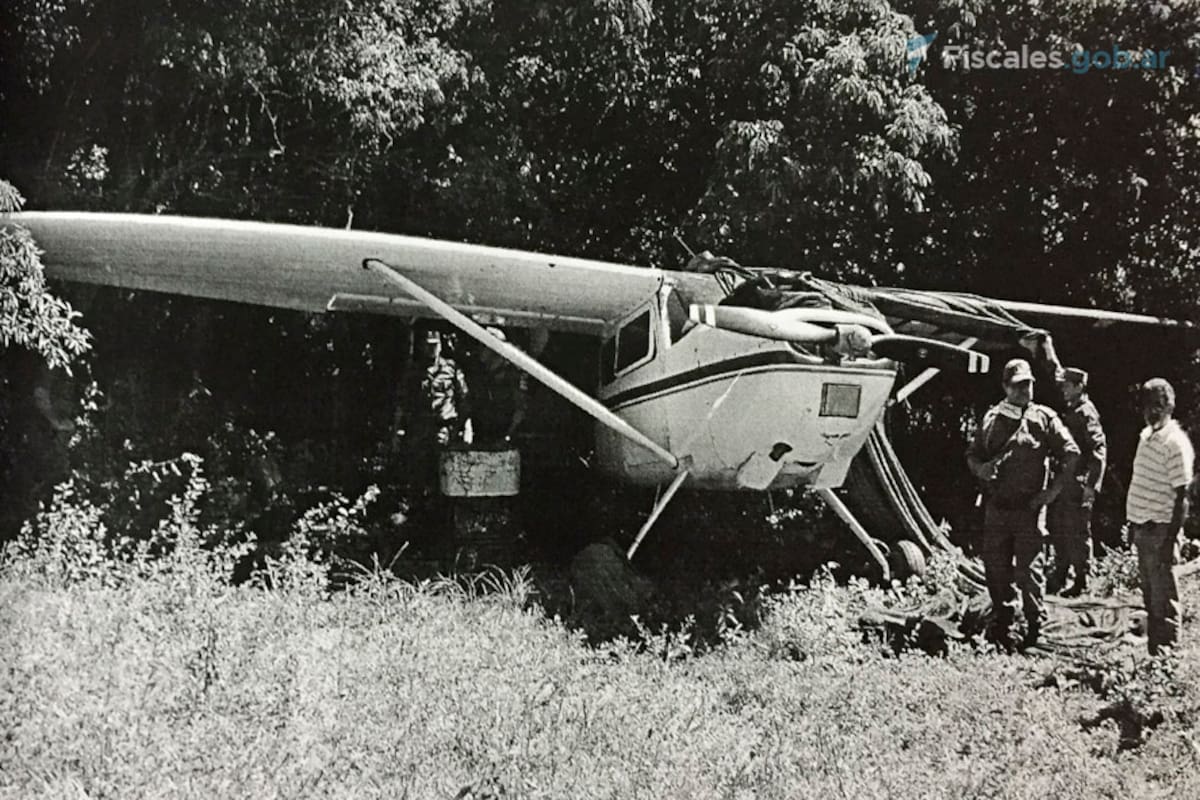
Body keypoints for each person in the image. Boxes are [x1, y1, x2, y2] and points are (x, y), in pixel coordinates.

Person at [967, 358, 1080, 650]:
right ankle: (1003, 622)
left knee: (1029, 572)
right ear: (1006, 387)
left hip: (1029, 510)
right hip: (997, 508)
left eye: (1028, 384)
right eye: (1018, 385)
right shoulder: (991, 420)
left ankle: (1034, 627)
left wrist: (1051, 493)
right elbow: (973, 454)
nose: (1025, 390)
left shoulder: (1044, 418)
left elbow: (1071, 454)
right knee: (995, 568)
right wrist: (981, 470)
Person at [1125, 378, 1194, 655]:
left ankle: (1167, 657)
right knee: (1150, 596)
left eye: (1158, 405)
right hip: (1143, 528)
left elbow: (1182, 497)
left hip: (1160, 530)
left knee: (1164, 598)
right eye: (1148, 406)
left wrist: (1170, 540)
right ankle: (1155, 653)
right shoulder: (1146, 436)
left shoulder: (1175, 443)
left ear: (1170, 405)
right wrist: (1132, 523)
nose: (1152, 411)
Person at [1046, 367, 1108, 597]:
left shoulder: (1086, 413)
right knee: (1060, 527)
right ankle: (1060, 574)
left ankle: (1082, 580)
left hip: (1079, 481)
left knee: (1077, 531)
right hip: (1066, 479)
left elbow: (1098, 450)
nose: (1063, 389)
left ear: (1079, 386)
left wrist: (1091, 485)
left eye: (1067, 385)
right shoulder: (1074, 409)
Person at [393, 328, 472, 488]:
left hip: (444, 430)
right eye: (428, 345)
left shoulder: (451, 369)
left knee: (446, 479)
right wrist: (396, 432)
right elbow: (402, 403)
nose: (432, 349)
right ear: (422, 346)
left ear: (441, 346)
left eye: (435, 345)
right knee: (418, 478)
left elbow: (464, 400)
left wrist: (467, 428)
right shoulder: (414, 371)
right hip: (420, 430)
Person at [469, 327, 529, 446]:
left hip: (506, 437)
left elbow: (520, 409)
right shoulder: (481, 372)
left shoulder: (513, 375)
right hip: (484, 433)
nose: (480, 350)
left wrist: (507, 436)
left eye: (483, 346)